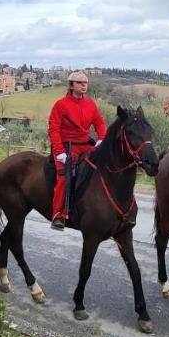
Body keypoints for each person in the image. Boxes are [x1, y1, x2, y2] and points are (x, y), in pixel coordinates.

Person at [47, 71, 106, 231]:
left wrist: (101, 139)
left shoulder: (91, 104)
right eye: (80, 83)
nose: (84, 85)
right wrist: (60, 152)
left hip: (85, 143)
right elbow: (53, 129)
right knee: (64, 176)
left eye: (85, 83)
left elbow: (100, 123)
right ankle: (58, 214)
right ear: (71, 85)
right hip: (66, 146)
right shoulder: (60, 105)